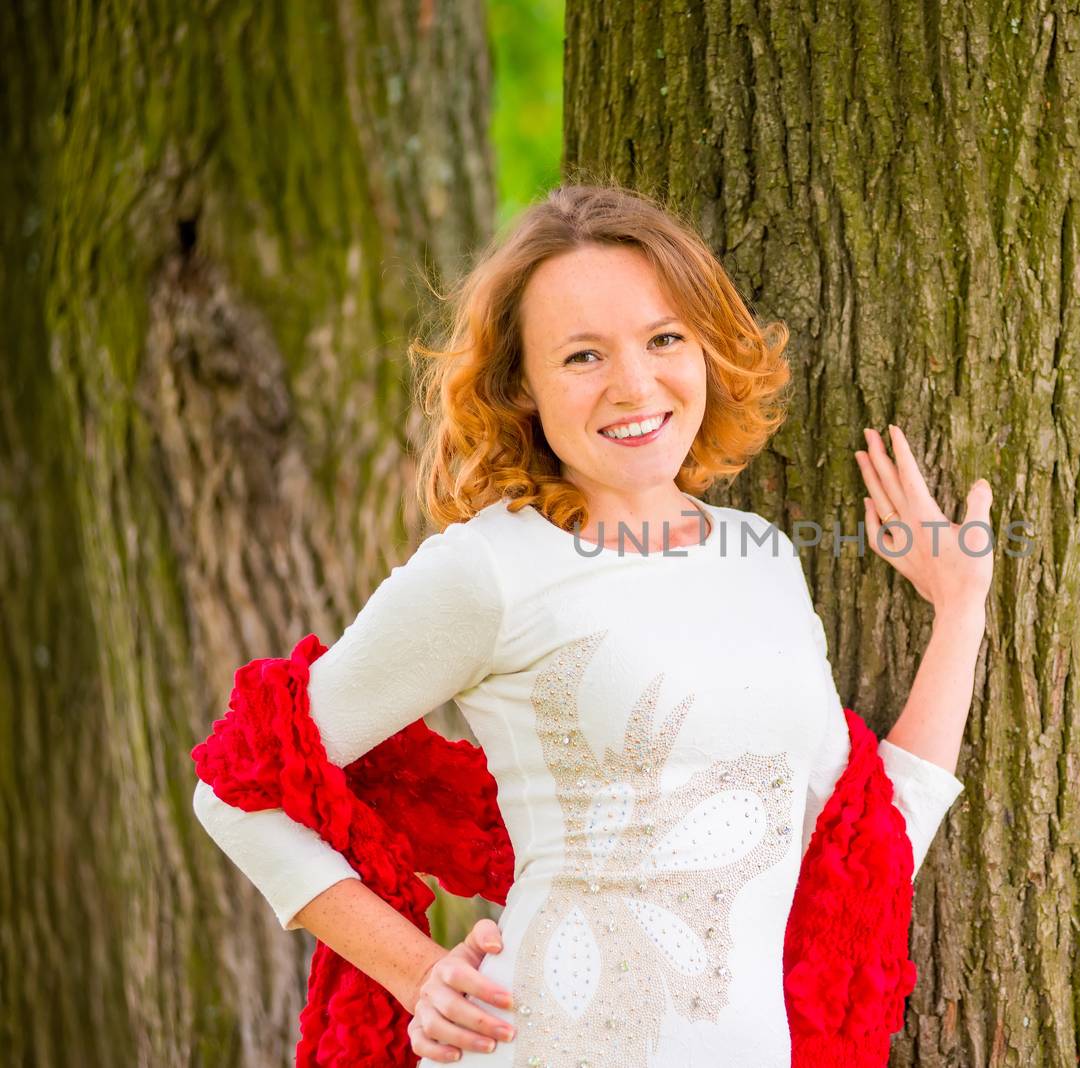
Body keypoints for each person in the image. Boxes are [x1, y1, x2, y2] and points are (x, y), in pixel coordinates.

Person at [192, 183, 993, 1067]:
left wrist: (959, 610)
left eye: (663, 339)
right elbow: (238, 787)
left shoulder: (762, 556)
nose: (635, 384)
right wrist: (417, 973)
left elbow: (862, 855)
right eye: (582, 356)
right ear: (521, 386)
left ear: (706, 347)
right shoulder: (490, 569)